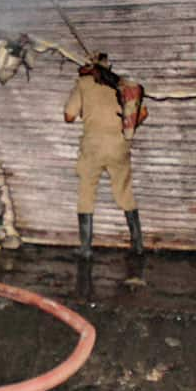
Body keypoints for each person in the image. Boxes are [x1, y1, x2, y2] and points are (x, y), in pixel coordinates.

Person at [64, 52, 145, 295]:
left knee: (86, 191)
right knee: (124, 191)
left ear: (90, 66)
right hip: (119, 144)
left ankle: (86, 249)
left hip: (93, 146)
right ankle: (138, 244)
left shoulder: (83, 83)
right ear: (109, 66)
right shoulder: (121, 84)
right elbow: (142, 113)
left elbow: (68, 116)